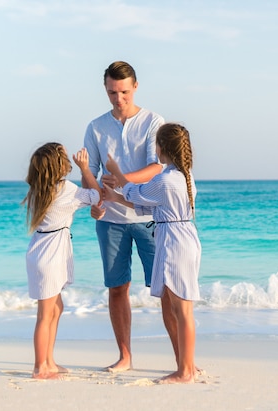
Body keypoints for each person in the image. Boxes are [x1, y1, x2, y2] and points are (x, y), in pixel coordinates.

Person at [103, 123, 201, 384]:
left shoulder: (165, 180)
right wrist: (115, 198)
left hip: (174, 241)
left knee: (182, 309)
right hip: (182, 236)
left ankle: (185, 371)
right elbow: (147, 206)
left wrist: (116, 173)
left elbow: (137, 192)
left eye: (156, 144)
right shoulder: (184, 176)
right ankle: (187, 366)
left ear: (162, 147)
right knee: (179, 305)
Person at [82, 61, 164, 372]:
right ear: (105, 89)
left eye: (124, 92)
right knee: (117, 288)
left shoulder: (153, 121)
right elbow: (89, 173)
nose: (119, 99)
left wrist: (123, 179)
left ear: (136, 87)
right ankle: (125, 357)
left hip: (148, 217)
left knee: (166, 288)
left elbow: (158, 166)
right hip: (110, 220)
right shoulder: (96, 126)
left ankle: (182, 359)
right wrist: (94, 197)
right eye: (112, 92)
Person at [23, 143, 101, 379]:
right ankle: (40, 367)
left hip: (40, 252)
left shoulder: (40, 188)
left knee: (57, 308)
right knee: (45, 314)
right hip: (51, 256)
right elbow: (97, 196)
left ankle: (49, 361)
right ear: (60, 164)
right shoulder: (65, 189)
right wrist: (86, 169)